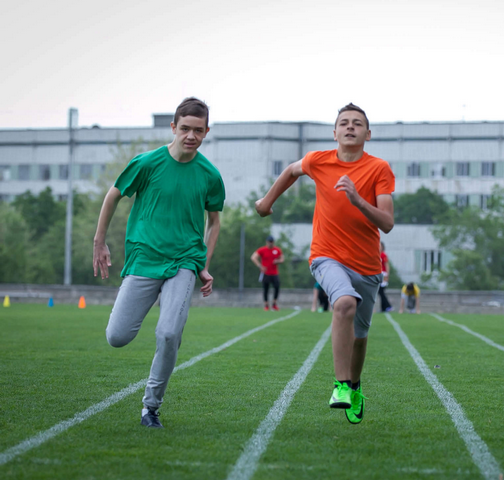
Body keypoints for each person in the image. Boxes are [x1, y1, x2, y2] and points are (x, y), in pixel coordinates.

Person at [254, 103, 394, 425]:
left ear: (367, 134)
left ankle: (355, 385)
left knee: (360, 336)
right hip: (326, 255)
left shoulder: (379, 169)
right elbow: (291, 170)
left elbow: (387, 222)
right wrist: (266, 202)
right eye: (343, 123)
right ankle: (341, 385)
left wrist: (358, 199)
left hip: (367, 266)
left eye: (357, 124)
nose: (350, 127)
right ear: (334, 132)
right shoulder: (319, 160)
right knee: (343, 303)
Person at [92, 97, 225, 428]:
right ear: (173, 128)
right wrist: (99, 242)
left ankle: (150, 407)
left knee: (167, 334)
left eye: (198, 130)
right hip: (143, 259)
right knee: (117, 336)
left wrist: (203, 264)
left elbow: (215, 221)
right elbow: (113, 195)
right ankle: (171, 321)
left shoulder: (209, 174)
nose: (191, 136)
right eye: (185, 129)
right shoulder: (147, 163)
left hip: (184, 262)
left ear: (206, 131)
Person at [251, 235, 284, 311]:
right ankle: (266, 305)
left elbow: (282, 258)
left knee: (277, 287)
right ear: (267, 242)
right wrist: (260, 266)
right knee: (265, 289)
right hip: (265, 273)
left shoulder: (277, 250)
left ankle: (274, 304)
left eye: (271, 242)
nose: (270, 243)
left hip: (274, 273)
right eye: (269, 242)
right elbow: (253, 257)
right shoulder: (262, 250)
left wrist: (278, 261)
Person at [379, 242, 393, 312]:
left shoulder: (383, 255)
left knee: (381, 291)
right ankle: (385, 307)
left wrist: (387, 275)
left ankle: (387, 306)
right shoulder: (377, 254)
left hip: (383, 274)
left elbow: (386, 264)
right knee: (380, 292)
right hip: (379, 273)